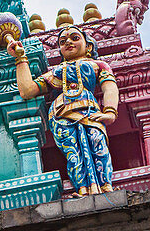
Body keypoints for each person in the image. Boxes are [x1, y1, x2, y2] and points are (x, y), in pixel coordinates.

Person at [8, 26, 117, 196]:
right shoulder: (56, 72)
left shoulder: (98, 65)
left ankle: (105, 186)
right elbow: (27, 90)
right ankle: (82, 188)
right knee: (73, 152)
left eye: (75, 38)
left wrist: (110, 111)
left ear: (88, 47)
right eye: (63, 41)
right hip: (61, 115)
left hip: (90, 111)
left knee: (97, 145)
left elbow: (110, 87)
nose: (68, 42)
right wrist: (21, 58)